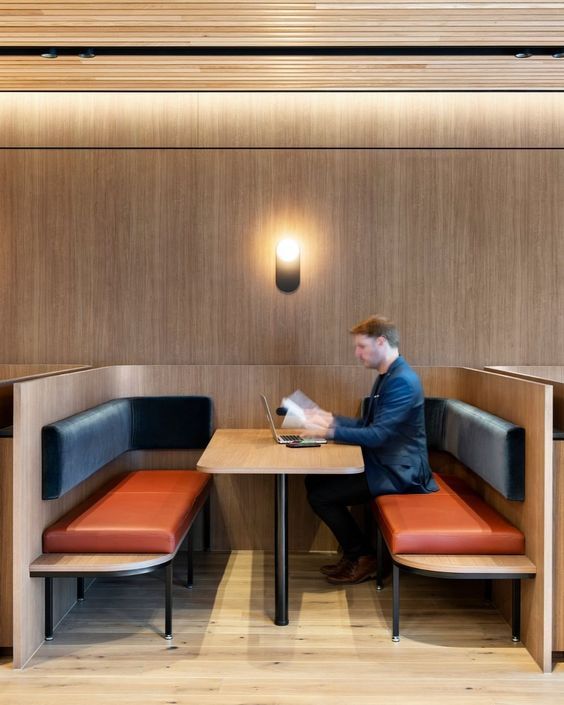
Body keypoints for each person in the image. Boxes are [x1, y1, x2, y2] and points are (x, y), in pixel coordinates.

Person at [303, 314, 438, 585]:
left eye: (361, 347)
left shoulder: (402, 381)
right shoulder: (388, 376)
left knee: (321, 495)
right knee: (314, 481)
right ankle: (356, 555)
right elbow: (370, 425)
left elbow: (377, 435)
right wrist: (332, 419)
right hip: (385, 463)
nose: (357, 353)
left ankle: (363, 556)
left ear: (381, 341)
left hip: (401, 472)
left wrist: (329, 433)